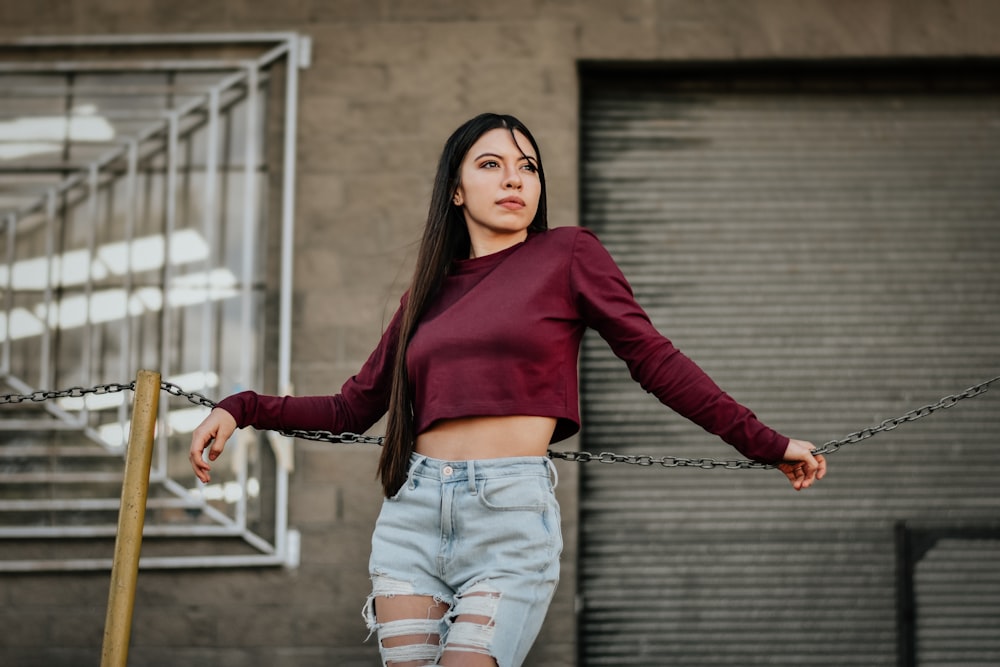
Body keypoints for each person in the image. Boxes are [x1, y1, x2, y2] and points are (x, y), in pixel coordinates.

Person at [189, 112, 826, 667]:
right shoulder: (427, 295)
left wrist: (765, 443)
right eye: (491, 164)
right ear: (457, 190)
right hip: (412, 516)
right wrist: (241, 407)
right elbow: (352, 407)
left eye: (527, 165)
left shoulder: (568, 254)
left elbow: (654, 360)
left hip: (509, 515)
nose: (514, 178)